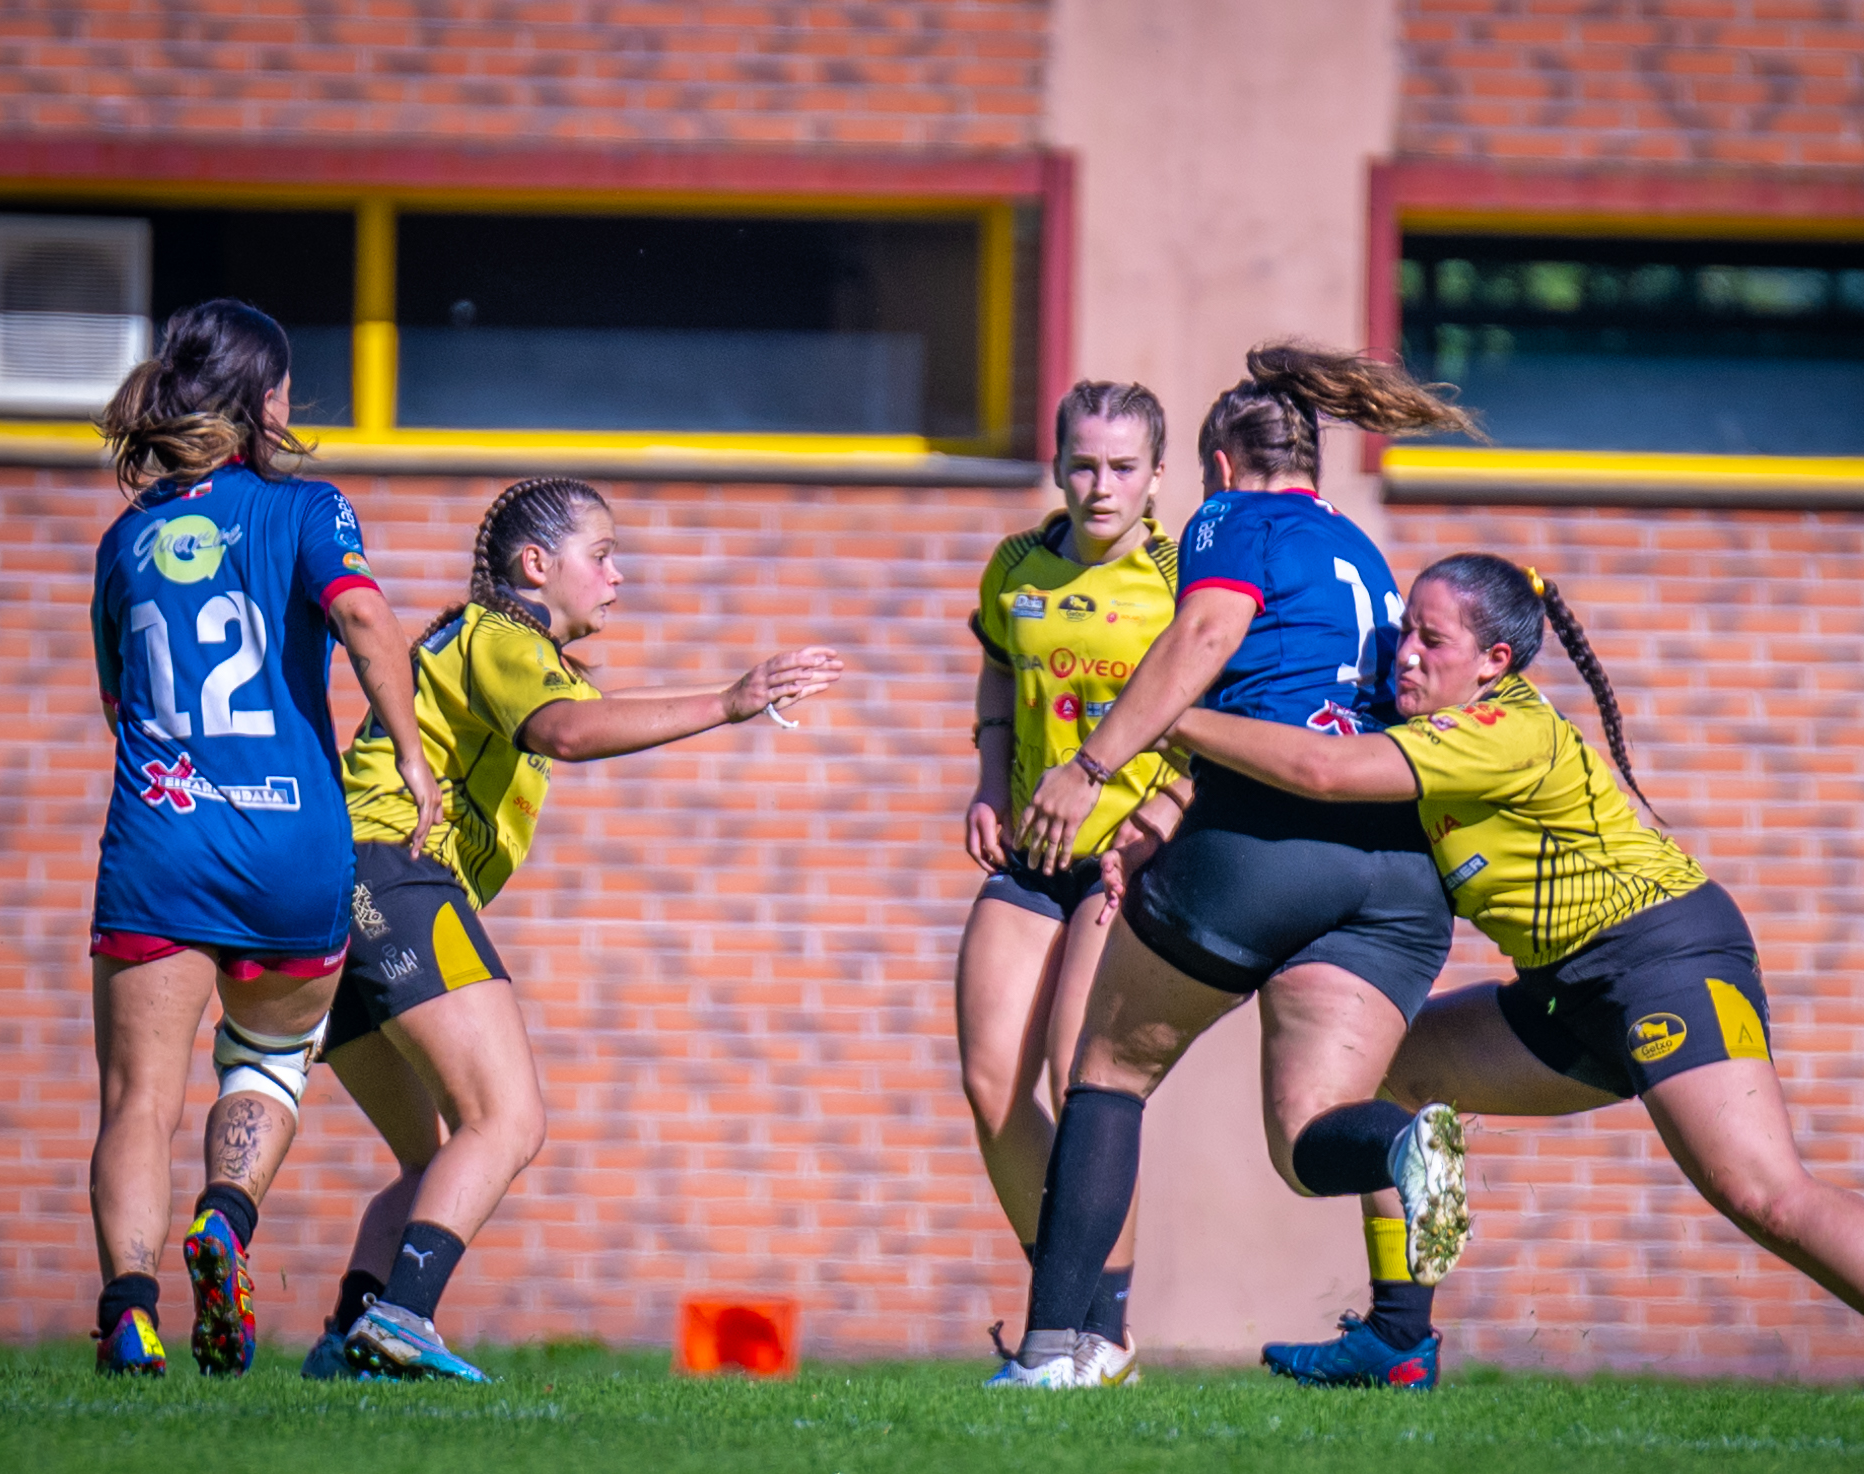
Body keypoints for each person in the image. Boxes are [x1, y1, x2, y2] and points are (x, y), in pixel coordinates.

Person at [1171, 552, 1864, 1399]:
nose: (1404, 653)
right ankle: (1399, 1339)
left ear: (1493, 663)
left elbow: (1321, 769)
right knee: (1400, 1075)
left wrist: (1165, 710)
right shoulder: (1430, 723)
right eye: (1404, 631)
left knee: (1761, 1192)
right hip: (1566, 985)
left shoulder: (1502, 729)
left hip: (1666, 958)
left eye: (1431, 641)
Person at [989, 344, 1478, 1389]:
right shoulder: (1357, 545)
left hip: (1267, 844)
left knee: (1105, 1074)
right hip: (1393, 874)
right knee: (1311, 1133)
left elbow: (1208, 632)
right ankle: (1399, 1182)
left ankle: (1051, 1353)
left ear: (1214, 461)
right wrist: (1162, 797)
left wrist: (1091, 765)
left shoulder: (1230, 518)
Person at [289, 476, 843, 1382]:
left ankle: (346, 1342)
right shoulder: (501, 634)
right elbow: (567, 733)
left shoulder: (481, 639)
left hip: (338, 890)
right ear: (537, 565)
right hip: (395, 876)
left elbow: (567, 719)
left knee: (434, 1159)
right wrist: (729, 701)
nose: (618, 575)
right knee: (507, 1120)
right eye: (602, 554)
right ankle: (403, 1316)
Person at [86, 299, 441, 1376]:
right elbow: (367, 619)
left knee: (138, 1096)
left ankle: (129, 1316)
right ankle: (228, 1220)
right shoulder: (306, 508)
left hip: (161, 837)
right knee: (269, 1053)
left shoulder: (126, 536)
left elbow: (118, 703)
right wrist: (414, 759)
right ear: (263, 400)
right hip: (293, 845)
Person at [962, 382, 1189, 1387]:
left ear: (1156, 475)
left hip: (1118, 865)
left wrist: (1158, 820)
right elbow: (996, 674)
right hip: (1025, 861)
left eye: (1122, 467)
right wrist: (983, 777)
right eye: (1084, 463)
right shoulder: (1015, 564)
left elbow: (1216, 721)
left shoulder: (1183, 577)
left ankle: (1105, 1331)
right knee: (987, 1083)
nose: (1101, 485)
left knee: (1082, 1083)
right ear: (1057, 464)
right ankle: (1078, 1307)